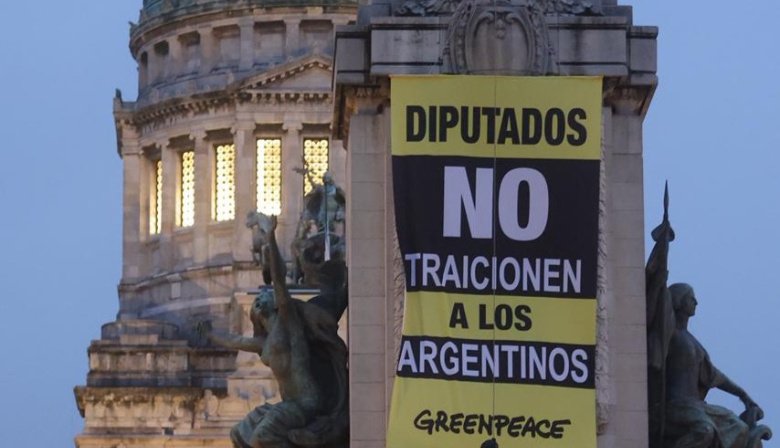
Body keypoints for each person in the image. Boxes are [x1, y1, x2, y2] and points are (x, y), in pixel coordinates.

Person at [199, 214, 348, 448]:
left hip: (305, 403)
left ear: (275, 304)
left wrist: (270, 237)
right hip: (288, 404)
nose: (259, 299)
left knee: (261, 437)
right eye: (257, 300)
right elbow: (234, 341)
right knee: (239, 433)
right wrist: (209, 334)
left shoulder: (289, 323)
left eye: (264, 296)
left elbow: (278, 280)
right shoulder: (263, 343)